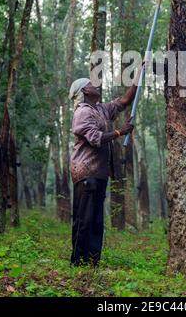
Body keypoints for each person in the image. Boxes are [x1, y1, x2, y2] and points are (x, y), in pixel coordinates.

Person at [68, 71, 140, 267]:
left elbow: (124, 101)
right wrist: (119, 132)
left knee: (97, 221)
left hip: (99, 174)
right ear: (85, 91)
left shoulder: (100, 109)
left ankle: (92, 262)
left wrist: (139, 75)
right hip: (86, 172)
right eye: (92, 84)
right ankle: (78, 262)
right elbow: (95, 138)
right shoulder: (82, 112)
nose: (96, 86)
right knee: (85, 219)